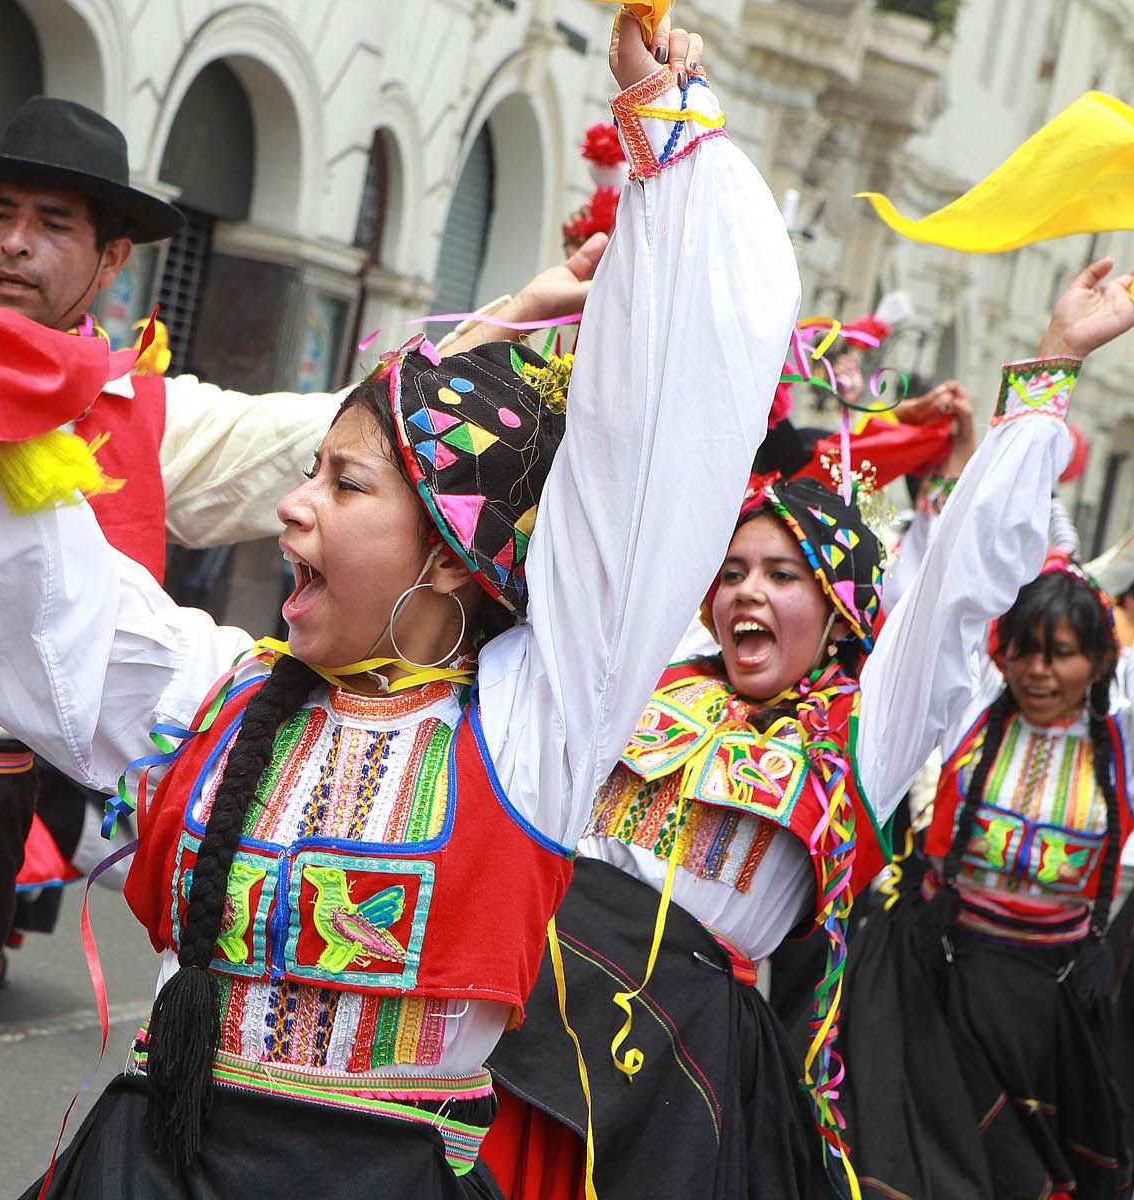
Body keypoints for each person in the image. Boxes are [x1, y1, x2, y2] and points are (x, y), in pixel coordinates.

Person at [0, 15, 794, 1194]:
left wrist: (662, 141)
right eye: (310, 475)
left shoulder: (534, 730)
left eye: (344, 483)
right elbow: (27, 581)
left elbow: (646, 478)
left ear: (451, 557)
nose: (294, 510)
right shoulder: (215, 694)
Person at [0, 3, 597, 1193]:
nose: (12, 244)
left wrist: (521, 312)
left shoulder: (147, 416)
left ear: (114, 259)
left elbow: (379, 446)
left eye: (50, 222)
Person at [479, 259, 1134, 1199]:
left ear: (836, 611)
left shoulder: (862, 735)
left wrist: (1054, 364)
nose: (749, 590)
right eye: (734, 570)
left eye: (784, 575)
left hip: (674, 1057)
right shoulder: (648, 679)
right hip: (521, 1005)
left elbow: (958, 583)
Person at [842, 374, 1134, 1196]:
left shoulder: (1120, 733)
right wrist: (1047, 374)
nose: (1041, 672)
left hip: (1049, 1007)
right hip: (940, 977)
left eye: (1064, 653)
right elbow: (960, 565)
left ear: (1101, 660)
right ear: (1000, 653)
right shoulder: (972, 698)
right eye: (1026, 651)